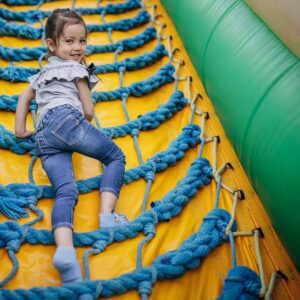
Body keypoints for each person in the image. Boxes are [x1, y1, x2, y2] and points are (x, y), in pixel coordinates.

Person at [15, 8, 129, 284]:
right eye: (69, 41)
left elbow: (23, 98)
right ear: (51, 44)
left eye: (82, 41)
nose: (77, 47)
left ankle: (64, 251)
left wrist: (21, 131)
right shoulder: (77, 69)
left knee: (65, 192)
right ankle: (106, 216)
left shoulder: (41, 75)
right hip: (68, 120)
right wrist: (82, 127)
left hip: (43, 135)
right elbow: (88, 111)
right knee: (115, 157)